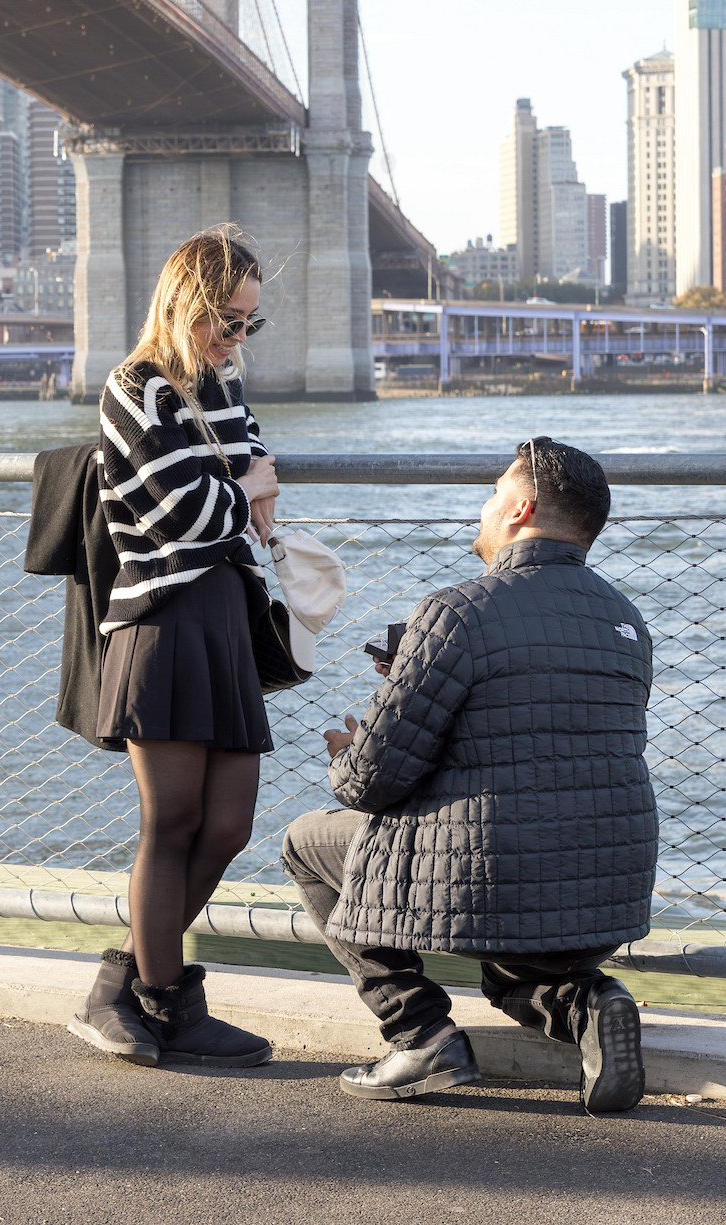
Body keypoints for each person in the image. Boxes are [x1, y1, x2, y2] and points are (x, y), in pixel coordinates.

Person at [282, 438, 659, 1114]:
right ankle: (590, 1003)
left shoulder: (456, 610)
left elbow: (371, 781)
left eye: (492, 493)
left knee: (307, 841)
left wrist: (352, 744)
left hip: (496, 879)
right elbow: (530, 738)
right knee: (510, 962)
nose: (484, 508)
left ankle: (419, 1031)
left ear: (521, 507)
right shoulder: (625, 620)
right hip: (606, 892)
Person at [68, 226, 280, 1069]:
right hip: (161, 619)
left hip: (225, 615)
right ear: (184, 302)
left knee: (228, 824)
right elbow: (189, 515)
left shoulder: (219, 383)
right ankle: (167, 1002)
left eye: (248, 324)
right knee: (174, 819)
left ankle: (119, 985)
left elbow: (250, 463)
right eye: (226, 319)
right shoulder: (135, 389)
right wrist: (249, 486)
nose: (235, 338)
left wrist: (249, 479)